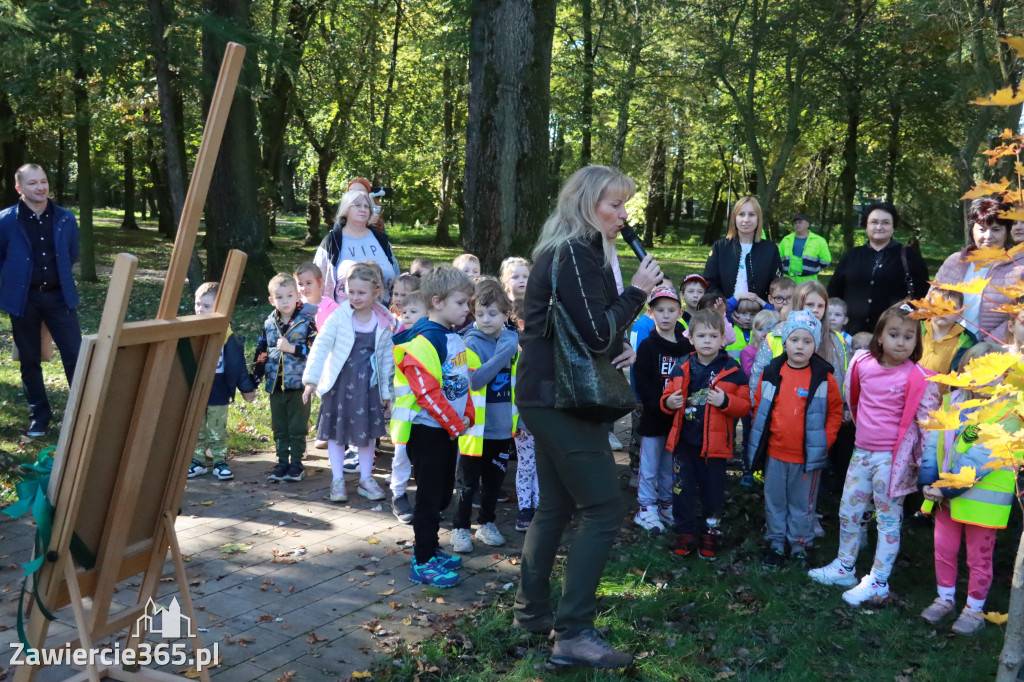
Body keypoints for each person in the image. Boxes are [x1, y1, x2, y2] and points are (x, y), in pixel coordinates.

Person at [513, 165, 661, 669]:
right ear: (586, 204)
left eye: (625, 206)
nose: (623, 216)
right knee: (601, 508)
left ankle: (532, 611)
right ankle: (572, 632)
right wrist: (638, 291)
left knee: (555, 507)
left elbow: (585, 334)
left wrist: (618, 347)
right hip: (558, 401)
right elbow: (595, 333)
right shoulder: (576, 252)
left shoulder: (573, 252)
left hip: (546, 394)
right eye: (614, 205)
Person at [808, 303, 939, 606]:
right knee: (849, 512)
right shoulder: (862, 363)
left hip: (892, 461)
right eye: (894, 334)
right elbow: (852, 397)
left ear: (917, 342)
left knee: (888, 520)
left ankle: (878, 581)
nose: (901, 342)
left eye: (909, 336)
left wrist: (923, 466)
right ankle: (844, 566)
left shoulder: (918, 378)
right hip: (861, 453)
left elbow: (928, 425)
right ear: (879, 336)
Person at [919, 342, 1017, 636]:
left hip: (980, 502)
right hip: (945, 497)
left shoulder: (1008, 414)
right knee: (944, 549)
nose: (982, 377)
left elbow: (982, 457)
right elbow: (932, 442)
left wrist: (945, 489)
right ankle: (945, 598)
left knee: (979, 558)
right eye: (973, 369)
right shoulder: (951, 403)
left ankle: (974, 609)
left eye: (991, 371)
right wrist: (927, 478)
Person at [391, 265, 476, 588]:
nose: (467, 310)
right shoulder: (425, 340)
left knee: (442, 493)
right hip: (428, 432)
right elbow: (427, 392)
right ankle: (422, 560)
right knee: (428, 498)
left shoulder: (453, 336)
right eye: (461, 303)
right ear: (438, 302)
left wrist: (466, 414)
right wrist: (456, 423)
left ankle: (432, 549)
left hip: (448, 430)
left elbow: (462, 380)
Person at [748, 311, 843, 567]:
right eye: (794, 340)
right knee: (775, 500)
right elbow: (760, 406)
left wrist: (826, 439)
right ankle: (777, 543)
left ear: (815, 345)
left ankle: (800, 545)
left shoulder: (824, 377)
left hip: (806, 457)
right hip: (775, 453)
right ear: (785, 341)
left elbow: (835, 411)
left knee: (803, 504)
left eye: (807, 341)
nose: (800, 346)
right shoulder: (772, 372)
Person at [0, 164, 83, 438]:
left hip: (60, 297)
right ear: (19, 188)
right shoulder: (6, 220)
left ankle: (82, 414)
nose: (40, 187)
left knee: (75, 355)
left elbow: (71, 254)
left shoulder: (65, 219)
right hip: (24, 299)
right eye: (33, 183)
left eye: (44, 181)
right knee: (29, 359)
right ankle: (40, 417)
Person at [661, 309, 751, 560]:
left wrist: (725, 401)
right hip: (684, 444)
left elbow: (744, 405)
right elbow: (666, 396)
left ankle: (710, 533)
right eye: (702, 336)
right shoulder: (681, 366)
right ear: (691, 338)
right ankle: (685, 534)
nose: (707, 341)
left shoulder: (732, 370)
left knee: (712, 493)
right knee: (682, 491)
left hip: (716, 447)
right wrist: (669, 403)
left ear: (723, 338)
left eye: (713, 336)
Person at [302, 263, 395, 503]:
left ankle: (365, 478)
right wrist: (311, 381)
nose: (355, 297)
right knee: (336, 433)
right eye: (350, 291)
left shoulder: (383, 321)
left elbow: (386, 361)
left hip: (368, 387)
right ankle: (337, 479)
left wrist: (387, 393)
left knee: (367, 434)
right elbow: (321, 346)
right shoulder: (340, 316)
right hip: (340, 385)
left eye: (361, 292)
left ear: (376, 292)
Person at [450, 279, 520, 553]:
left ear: (506, 314)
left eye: (492, 314)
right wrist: (504, 355)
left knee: (494, 482)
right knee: (467, 483)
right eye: (480, 314)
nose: (485, 320)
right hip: (474, 428)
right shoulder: (470, 343)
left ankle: (486, 523)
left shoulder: (513, 342)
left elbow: (521, 382)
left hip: (503, 427)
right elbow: (476, 380)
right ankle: (459, 528)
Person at [632, 283, 694, 533]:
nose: (666, 316)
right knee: (649, 465)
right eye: (660, 310)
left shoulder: (686, 346)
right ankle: (645, 507)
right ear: (651, 313)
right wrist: (661, 402)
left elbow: (693, 376)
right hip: (654, 418)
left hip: (679, 420)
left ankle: (666, 503)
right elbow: (642, 381)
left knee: (671, 464)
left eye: (671, 310)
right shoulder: (648, 346)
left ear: (680, 313)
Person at [826, 201, 930, 335]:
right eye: (874, 222)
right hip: (850, 336)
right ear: (866, 225)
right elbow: (833, 293)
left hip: (893, 335)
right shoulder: (851, 256)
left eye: (885, 223)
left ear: (893, 227)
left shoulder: (909, 257)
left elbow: (923, 295)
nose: (879, 227)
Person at [187, 282, 257, 481]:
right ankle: (198, 461)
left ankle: (219, 461)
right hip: (195, 389)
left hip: (218, 389)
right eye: (198, 304)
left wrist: (246, 388)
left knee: (217, 428)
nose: (201, 309)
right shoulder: (191, 332)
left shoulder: (227, 335)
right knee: (196, 427)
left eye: (207, 306)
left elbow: (238, 365)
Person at [252, 274, 318, 482]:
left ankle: (296, 464)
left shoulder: (306, 322)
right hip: (276, 386)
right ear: (272, 300)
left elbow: (316, 350)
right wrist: (253, 381)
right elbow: (261, 352)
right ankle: (282, 462)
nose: (285, 301)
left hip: (299, 385)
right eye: (280, 297)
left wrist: (293, 348)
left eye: (290, 295)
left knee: (297, 427)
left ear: (298, 296)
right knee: (280, 427)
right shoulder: (269, 324)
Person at [933, 196, 1023, 343]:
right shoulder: (954, 262)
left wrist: (984, 346)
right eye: (982, 229)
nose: (988, 236)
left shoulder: (1019, 268)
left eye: (996, 229)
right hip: (944, 346)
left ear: (1006, 231)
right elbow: (931, 303)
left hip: (991, 353)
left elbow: (1016, 315)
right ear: (972, 230)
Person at [314, 189, 401, 307]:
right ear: (346, 209)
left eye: (366, 206)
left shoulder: (381, 239)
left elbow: (396, 274)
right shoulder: (333, 240)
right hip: (343, 315)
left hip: (383, 314)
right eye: (357, 205)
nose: (363, 209)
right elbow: (317, 278)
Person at [389, 288, 429, 524]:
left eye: (413, 312)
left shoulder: (436, 340)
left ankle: (427, 498)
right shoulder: (402, 341)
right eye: (404, 312)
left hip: (429, 413)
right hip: (405, 413)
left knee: (425, 459)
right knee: (401, 456)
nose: (406, 316)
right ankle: (398, 495)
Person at [703, 196, 782, 309]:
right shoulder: (720, 247)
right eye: (741, 214)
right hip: (724, 310)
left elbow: (776, 285)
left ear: (758, 218)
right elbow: (710, 282)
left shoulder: (770, 249)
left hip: (759, 314)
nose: (746, 220)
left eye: (751, 215)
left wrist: (763, 307)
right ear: (734, 218)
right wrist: (724, 306)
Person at [739, 309, 780, 487]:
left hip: (772, 404)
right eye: (760, 329)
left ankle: (763, 470)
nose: (765, 333)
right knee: (749, 438)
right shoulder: (748, 351)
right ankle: (748, 470)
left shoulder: (778, 351)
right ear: (753, 330)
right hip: (751, 405)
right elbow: (750, 373)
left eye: (770, 329)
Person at [919, 288, 976, 377]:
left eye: (950, 308)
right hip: (905, 388)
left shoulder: (965, 340)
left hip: (942, 390)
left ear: (960, 313)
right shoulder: (917, 330)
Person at [778, 213, 832, 285]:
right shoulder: (786, 239)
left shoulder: (819, 241)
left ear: (808, 224)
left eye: (800, 222)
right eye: (795, 223)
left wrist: (811, 269)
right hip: (788, 281)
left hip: (809, 281)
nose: (797, 225)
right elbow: (779, 258)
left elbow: (825, 261)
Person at [295, 262, 338, 335]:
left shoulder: (331, 307)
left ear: (320, 282)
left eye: (308, 283)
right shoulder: (296, 306)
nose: (304, 288)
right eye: (300, 284)